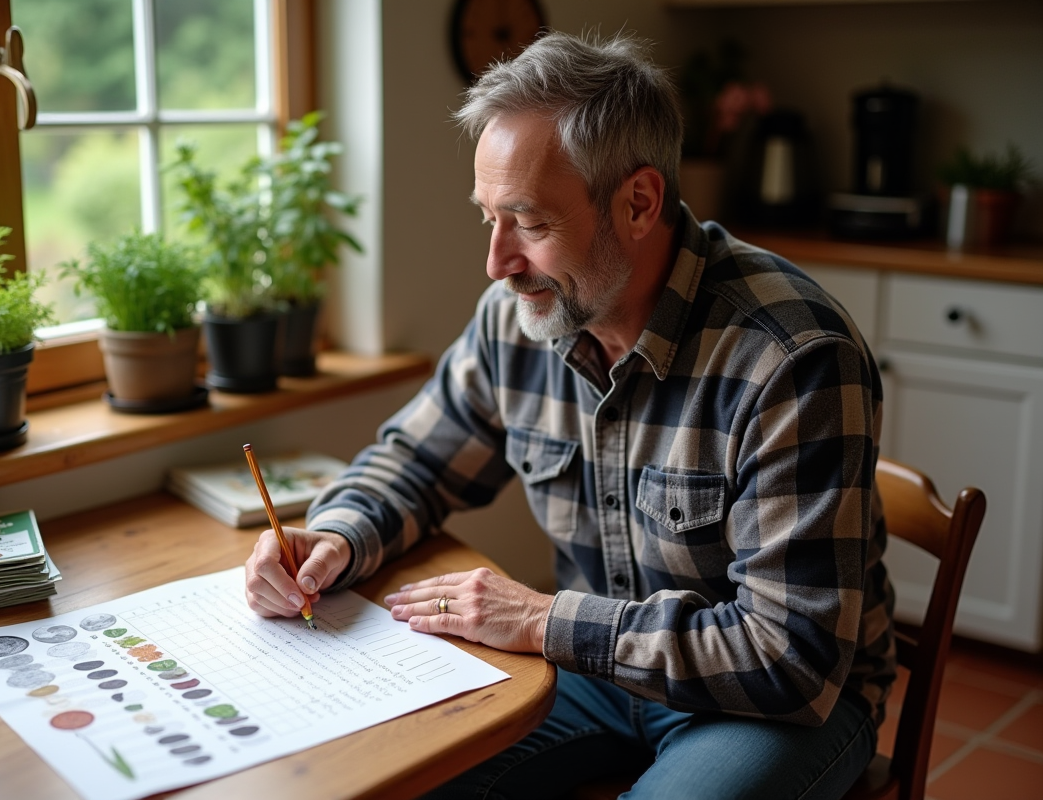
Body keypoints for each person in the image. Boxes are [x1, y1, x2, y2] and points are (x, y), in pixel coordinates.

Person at [245, 31, 896, 800]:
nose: (497, 262)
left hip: (770, 707)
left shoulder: (792, 358)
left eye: (529, 221)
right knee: (391, 779)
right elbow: (415, 461)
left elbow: (791, 659)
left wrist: (546, 623)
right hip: (593, 673)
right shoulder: (516, 319)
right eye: (488, 216)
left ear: (639, 203)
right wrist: (338, 534)